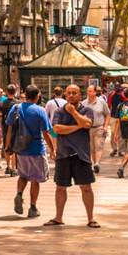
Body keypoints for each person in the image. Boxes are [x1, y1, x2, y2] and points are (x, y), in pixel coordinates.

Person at [49, 83, 100, 229]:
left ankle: (91, 218)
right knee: (60, 187)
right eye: (69, 93)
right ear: (65, 95)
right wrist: (78, 126)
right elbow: (57, 129)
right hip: (63, 154)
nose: (71, 95)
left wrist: (73, 113)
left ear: (80, 95)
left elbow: (88, 123)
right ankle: (58, 217)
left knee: (86, 188)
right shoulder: (59, 111)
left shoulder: (87, 110)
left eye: (74, 93)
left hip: (81, 155)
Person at [6, 85, 51, 221]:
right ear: (37, 96)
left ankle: (19, 194)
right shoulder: (40, 110)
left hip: (20, 149)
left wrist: (8, 146)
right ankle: (33, 207)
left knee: (23, 175)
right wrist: (53, 149)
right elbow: (46, 132)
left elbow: (9, 128)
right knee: (35, 179)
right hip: (36, 148)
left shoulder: (16, 108)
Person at [81, 85, 109, 168]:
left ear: (95, 92)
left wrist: (106, 126)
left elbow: (107, 114)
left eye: (90, 91)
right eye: (87, 91)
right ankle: (94, 164)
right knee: (91, 148)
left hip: (99, 128)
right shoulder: (84, 103)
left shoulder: (102, 102)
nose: (88, 93)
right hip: (88, 129)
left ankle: (97, 163)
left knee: (98, 146)